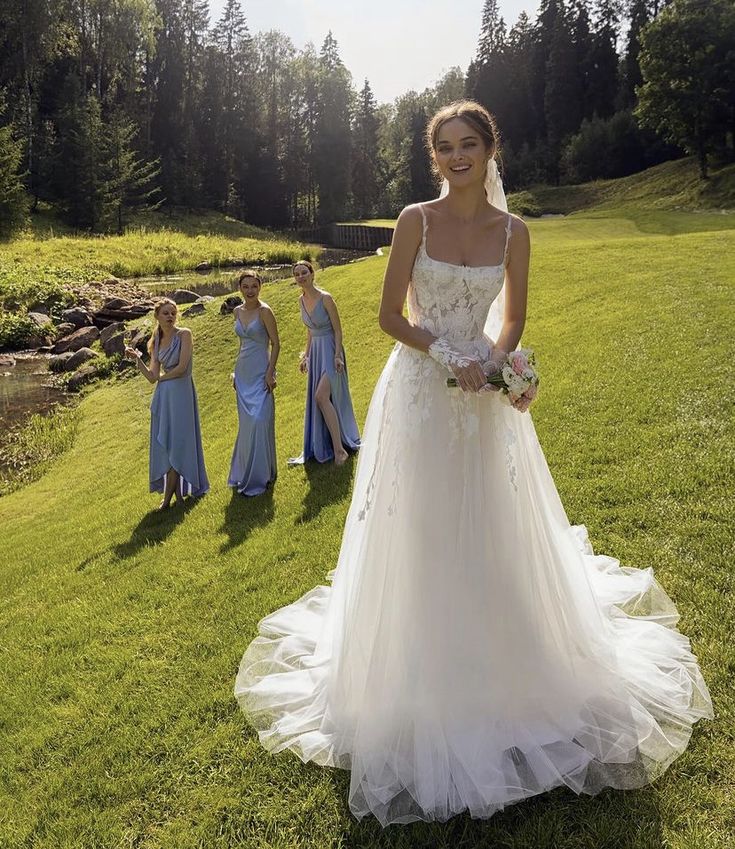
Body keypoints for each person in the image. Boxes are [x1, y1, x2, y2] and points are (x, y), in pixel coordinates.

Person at [235, 101, 712, 826]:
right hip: (421, 393)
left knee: (490, 521)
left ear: (490, 150)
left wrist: (498, 363)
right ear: (434, 158)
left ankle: (509, 670)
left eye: (469, 144)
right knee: (424, 524)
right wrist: (445, 352)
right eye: (445, 147)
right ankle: (417, 675)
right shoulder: (414, 220)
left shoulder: (514, 231)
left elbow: (513, 315)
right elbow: (390, 316)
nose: (457, 156)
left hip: (483, 396)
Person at [125, 298, 209, 509]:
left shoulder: (184, 334)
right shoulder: (156, 339)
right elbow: (152, 377)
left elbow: (182, 368)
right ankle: (177, 496)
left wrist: (162, 379)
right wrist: (137, 359)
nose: (170, 316)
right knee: (168, 442)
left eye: (173, 312)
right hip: (164, 397)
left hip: (181, 393)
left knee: (178, 442)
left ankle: (167, 500)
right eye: (165, 313)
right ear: (157, 316)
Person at [290, 260, 360, 465]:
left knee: (321, 396)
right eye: (297, 274)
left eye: (304, 272)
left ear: (312, 274)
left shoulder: (326, 298)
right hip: (316, 352)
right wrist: (306, 356)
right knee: (321, 398)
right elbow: (310, 331)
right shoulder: (301, 301)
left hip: (330, 351)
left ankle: (340, 451)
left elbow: (338, 330)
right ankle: (329, 444)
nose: (301, 277)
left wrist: (338, 355)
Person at [228, 270, 279, 496]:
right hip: (243, 373)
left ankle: (263, 475)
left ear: (260, 287)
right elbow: (242, 345)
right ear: (240, 288)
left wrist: (270, 372)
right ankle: (244, 472)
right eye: (246, 286)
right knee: (247, 426)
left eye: (254, 286)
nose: (250, 291)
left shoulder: (265, 311)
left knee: (260, 421)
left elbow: (276, 344)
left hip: (261, 373)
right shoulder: (237, 311)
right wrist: (235, 372)